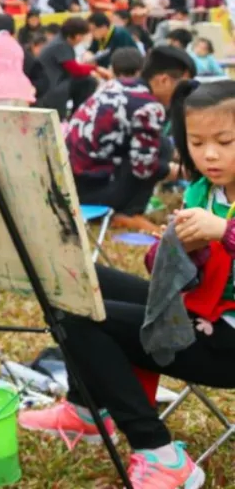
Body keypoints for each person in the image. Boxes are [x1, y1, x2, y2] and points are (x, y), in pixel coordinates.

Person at [20, 79, 235, 489]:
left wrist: (222, 230)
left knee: (83, 319)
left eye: (225, 141)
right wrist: (173, 248)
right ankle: (86, 409)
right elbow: (169, 272)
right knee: (80, 284)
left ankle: (159, 452)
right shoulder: (201, 191)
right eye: (197, 141)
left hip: (225, 342)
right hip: (191, 313)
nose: (210, 154)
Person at [66, 46, 193, 229]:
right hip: (94, 189)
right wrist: (185, 173)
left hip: (73, 181)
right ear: (164, 80)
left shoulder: (116, 85)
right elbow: (144, 167)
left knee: (161, 143)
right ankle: (127, 213)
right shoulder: (148, 106)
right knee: (160, 150)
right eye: (182, 87)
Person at [36, 17, 110, 119]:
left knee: (87, 80)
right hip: (52, 86)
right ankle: (79, 114)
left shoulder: (61, 41)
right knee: (88, 82)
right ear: (78, 36)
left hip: (55, 82)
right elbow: (75, 70)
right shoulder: (61, 45)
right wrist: (95, 68)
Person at [23, 31, 52, 101]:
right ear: (33, 46)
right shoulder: (28, 59)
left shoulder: (42, 59)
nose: (43, 50)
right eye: (41, 47)